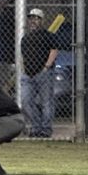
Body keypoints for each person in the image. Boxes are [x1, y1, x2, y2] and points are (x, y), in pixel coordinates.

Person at [19, 7, 59, 138]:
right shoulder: (25, 38)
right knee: (26, 101)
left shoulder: (48, 36)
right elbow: (23, 56)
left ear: (41, 20)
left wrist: (46, 67)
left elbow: (54, 50)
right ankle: (36, 126)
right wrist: (24, 70)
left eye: (36, 18)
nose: (33, 21)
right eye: (31, 18)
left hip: (44, 73)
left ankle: (45, 129)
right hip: (28, 74)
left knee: (46, 102)